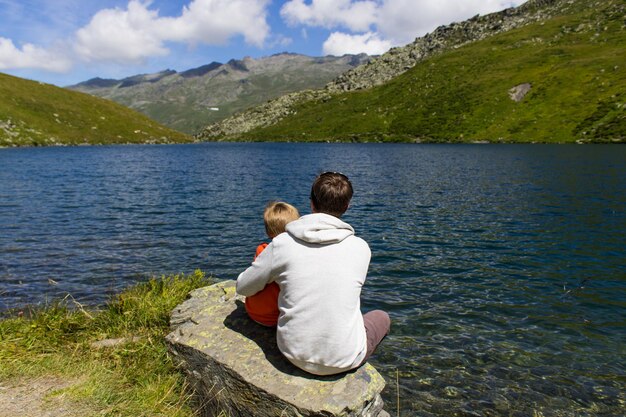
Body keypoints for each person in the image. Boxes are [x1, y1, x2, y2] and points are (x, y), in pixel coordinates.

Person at [237, 172, 390, 376]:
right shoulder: (361, 248)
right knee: (381, 317)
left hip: (293, 353)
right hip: (346, 358)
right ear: (347, 207)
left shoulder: (281, 244)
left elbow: (243, 287)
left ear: (311, 203)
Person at [244, 201, 300, 327]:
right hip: (285, 316)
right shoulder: (302, 251)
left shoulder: (264, 250)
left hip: (261, 314)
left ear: (268, 231)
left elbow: (245, 286)